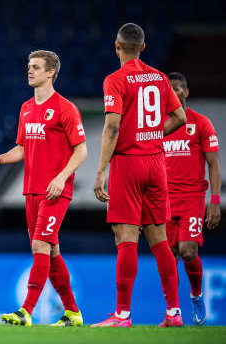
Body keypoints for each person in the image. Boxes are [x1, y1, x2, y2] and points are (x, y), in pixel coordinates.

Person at [92, 23, 187, 327]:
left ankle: (122, 314)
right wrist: (153, 136)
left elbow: (113, 127)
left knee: (126, 237)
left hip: (128, 163)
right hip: (156, 163)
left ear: (117, 46)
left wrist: (100, 170)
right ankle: (174, 312)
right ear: (143, 47)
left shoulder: (115, 80)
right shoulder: (160, 78)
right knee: (159, 239)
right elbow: (180, 117)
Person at [0, 50, 87, 327]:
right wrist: (0, 158)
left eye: (36, 67)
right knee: (50, 252)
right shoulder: (26, 108)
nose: (29, 71)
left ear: (50, 72)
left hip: (55, 191)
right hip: (31, 190)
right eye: (28, 66)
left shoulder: (66, 108)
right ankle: (73, 313)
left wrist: (62, 177)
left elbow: (82, 150)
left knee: (40, 245)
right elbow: (22, 148)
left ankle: (26, 311)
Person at [164, 72, 221, 326]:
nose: (172, 93)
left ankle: (197, 294)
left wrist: (215, 201)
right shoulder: (158, 126)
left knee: (187, 252)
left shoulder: (200, 123)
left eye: (176, 89)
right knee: (169, 257)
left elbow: (214, 164)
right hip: (163, 199)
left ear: (185, 92)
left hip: (192, 198)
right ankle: (173, 311)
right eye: (168, 89)